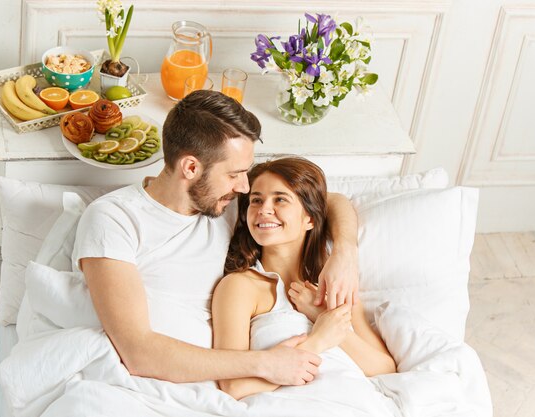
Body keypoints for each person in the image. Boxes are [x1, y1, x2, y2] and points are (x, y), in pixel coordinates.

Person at [72, 90, 360, 387]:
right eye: (235, 174)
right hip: (151, 383)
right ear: (191, 167)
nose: (245, 187)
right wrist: (268, 363)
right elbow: (138, 352)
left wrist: (344, 252)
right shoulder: (114, 219)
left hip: (222, 386)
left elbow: (330, 202)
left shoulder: (226, 204)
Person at [212, 157, 396, 400]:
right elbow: (234, 386)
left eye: (280, 199)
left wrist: (321, 315)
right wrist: (317, 341)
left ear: (309, 218)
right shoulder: (240, 287)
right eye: (256, 200)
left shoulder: (335, 287)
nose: (264, 209)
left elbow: (385, 368)